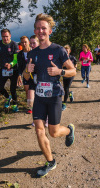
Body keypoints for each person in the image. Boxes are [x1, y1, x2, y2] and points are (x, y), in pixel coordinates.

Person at [25, 13, 76, 178]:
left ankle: (69, 130)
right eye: (38, 28)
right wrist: (27, 71)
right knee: (39, 130)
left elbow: (73, 71)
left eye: (44, 28)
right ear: (35, 30)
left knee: (53, 132)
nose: (41, 31)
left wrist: (59, 71)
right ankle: (50, 162)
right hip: (39, 97)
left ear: (50, 31)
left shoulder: (58, 50)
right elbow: (26, 77)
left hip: (54, 97)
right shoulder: (32, 54)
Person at [0, 29, 19, 112]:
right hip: (3, 70)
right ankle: (8, 98)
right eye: (3, 37)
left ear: (10, 36)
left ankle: (15, 104)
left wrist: (10, 64)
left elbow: (16, 59)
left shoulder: (14, 44)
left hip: (13, 70)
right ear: (1, 37)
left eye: (7, 36)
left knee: (13, 89)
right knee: (0, 88)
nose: (5, 38)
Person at [17, 36, 33, 114]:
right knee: (27, 90)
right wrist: (19, 75)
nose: (24, 44)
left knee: (34, 91)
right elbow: (19, 66)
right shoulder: (19, 54)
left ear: (29, 42)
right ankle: (30, 107)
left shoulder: (33, 51)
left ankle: (36, 105)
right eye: (22, 42)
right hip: (25, 75)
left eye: (25, 42)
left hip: (34, 75)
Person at [62, 45, 77, 111]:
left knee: (66, 88)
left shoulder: (72, 57)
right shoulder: (62, 58)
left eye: (67, 50)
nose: (66, 52)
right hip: (65, 74)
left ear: (69, 51)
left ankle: (64, 103)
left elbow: (76, 63)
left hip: (71, 75)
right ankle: (70, 93)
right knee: (65, 88)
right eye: (64, 50)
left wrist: (75, 68)